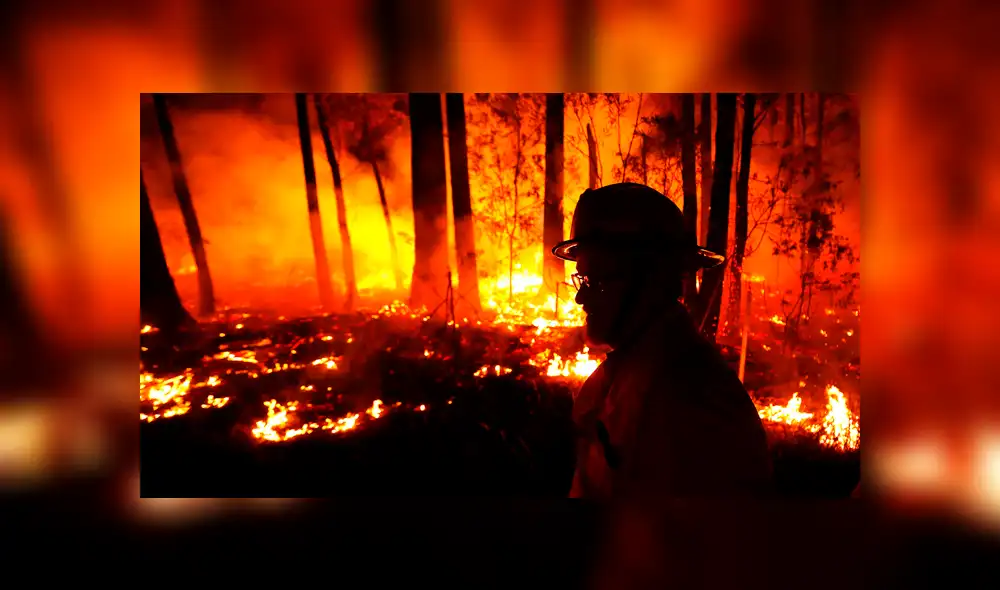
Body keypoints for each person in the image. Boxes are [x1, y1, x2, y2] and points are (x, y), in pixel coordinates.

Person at [551, 182, 773, 500]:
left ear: (651, 280)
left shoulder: (691, 398)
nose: (580, 297)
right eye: (582, 279)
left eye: (596, 281)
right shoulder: (633, 369)